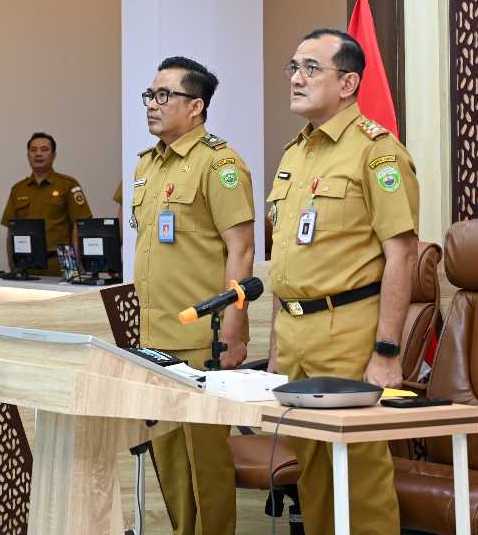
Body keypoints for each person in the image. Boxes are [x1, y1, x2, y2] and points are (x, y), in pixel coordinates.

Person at [267, 28, 419, 535]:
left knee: (360, 475)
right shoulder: (294, 155)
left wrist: (388, 350)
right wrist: (274, 349)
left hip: (349, 333)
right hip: (294, 336)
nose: (296, 78)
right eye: (293, 66)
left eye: (312, 68)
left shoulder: (376, 152)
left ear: (349, 82)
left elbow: (402, 254)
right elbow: (285, 263)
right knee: (312, 475)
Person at [132, 57, 256, 535]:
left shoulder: (219, 164)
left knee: (205, 462)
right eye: (150, 95)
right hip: (155, 337)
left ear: (196, 106)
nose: (153, 105)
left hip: (200, 338)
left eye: (164, 96)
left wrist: (232, 331)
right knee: (169, 461)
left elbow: (240, 251)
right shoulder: (146, 164)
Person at [0, 132, 92, 275]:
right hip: (26, 264)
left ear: (53, 155)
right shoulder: (18, 189)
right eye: (33, 150)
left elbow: (78, 225)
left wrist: (74, 266)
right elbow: (11, 230)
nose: (38, 154)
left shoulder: (67, 185)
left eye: (44, 150)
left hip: (60, 263)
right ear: (27, 156)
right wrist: (14, 267)